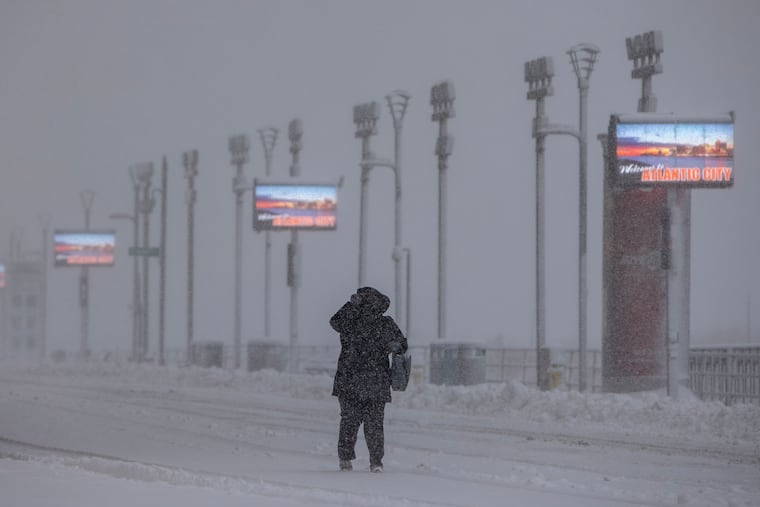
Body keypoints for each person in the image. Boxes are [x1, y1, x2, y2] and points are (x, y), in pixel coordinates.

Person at [330, 286, 407, 473]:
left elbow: (335, 322)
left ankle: (346, 459)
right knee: (374, 424)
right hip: (375, 381)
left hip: (350, 380)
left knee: (349, 421)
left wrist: (349, 305)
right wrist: (394, 346)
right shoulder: (384, 324)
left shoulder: (351, 321)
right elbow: (402, 345)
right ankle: (376, 462)